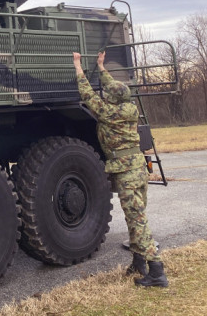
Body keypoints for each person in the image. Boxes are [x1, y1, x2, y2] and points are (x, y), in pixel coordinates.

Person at [72, 51, 168, 288]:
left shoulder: (108, 113)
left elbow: (86, 93)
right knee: (134, 216)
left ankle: (156, 271)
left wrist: (78, 65)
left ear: (112, 100)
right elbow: (115, 88)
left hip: (126, 173)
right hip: (138, 169)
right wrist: (101, 67)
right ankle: (138, 263)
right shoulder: (130, 108)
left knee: (137, 220)